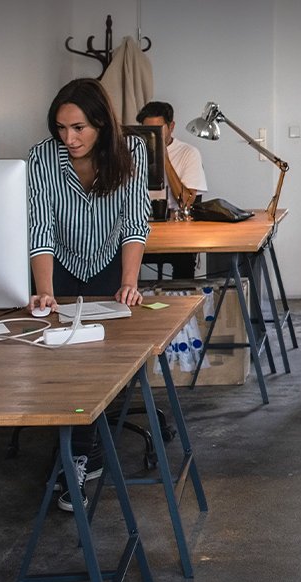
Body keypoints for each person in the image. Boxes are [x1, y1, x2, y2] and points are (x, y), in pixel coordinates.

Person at [27, 78, 152, 511]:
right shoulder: (43, 158)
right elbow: (39, 227)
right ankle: (81, 454)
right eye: (61, 128)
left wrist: (130, 281)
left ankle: (80, 454)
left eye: (78, 128)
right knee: (62, 361)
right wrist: (46, 292)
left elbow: (136, 221)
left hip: (110, 264)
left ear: (101, 122)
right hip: (58, 262)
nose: (69, 138)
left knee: (98, 365)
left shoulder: (131, 153)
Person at [137, 101, 208, 278]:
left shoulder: (188, 153)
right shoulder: (134, 151)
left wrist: (164, 158)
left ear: (171, 127)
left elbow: (185, 201)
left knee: (184, 262)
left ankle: (184, 300)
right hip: (142, 225)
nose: (153, 135)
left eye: (158, 130)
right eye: (148, 131)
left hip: (175, 228)